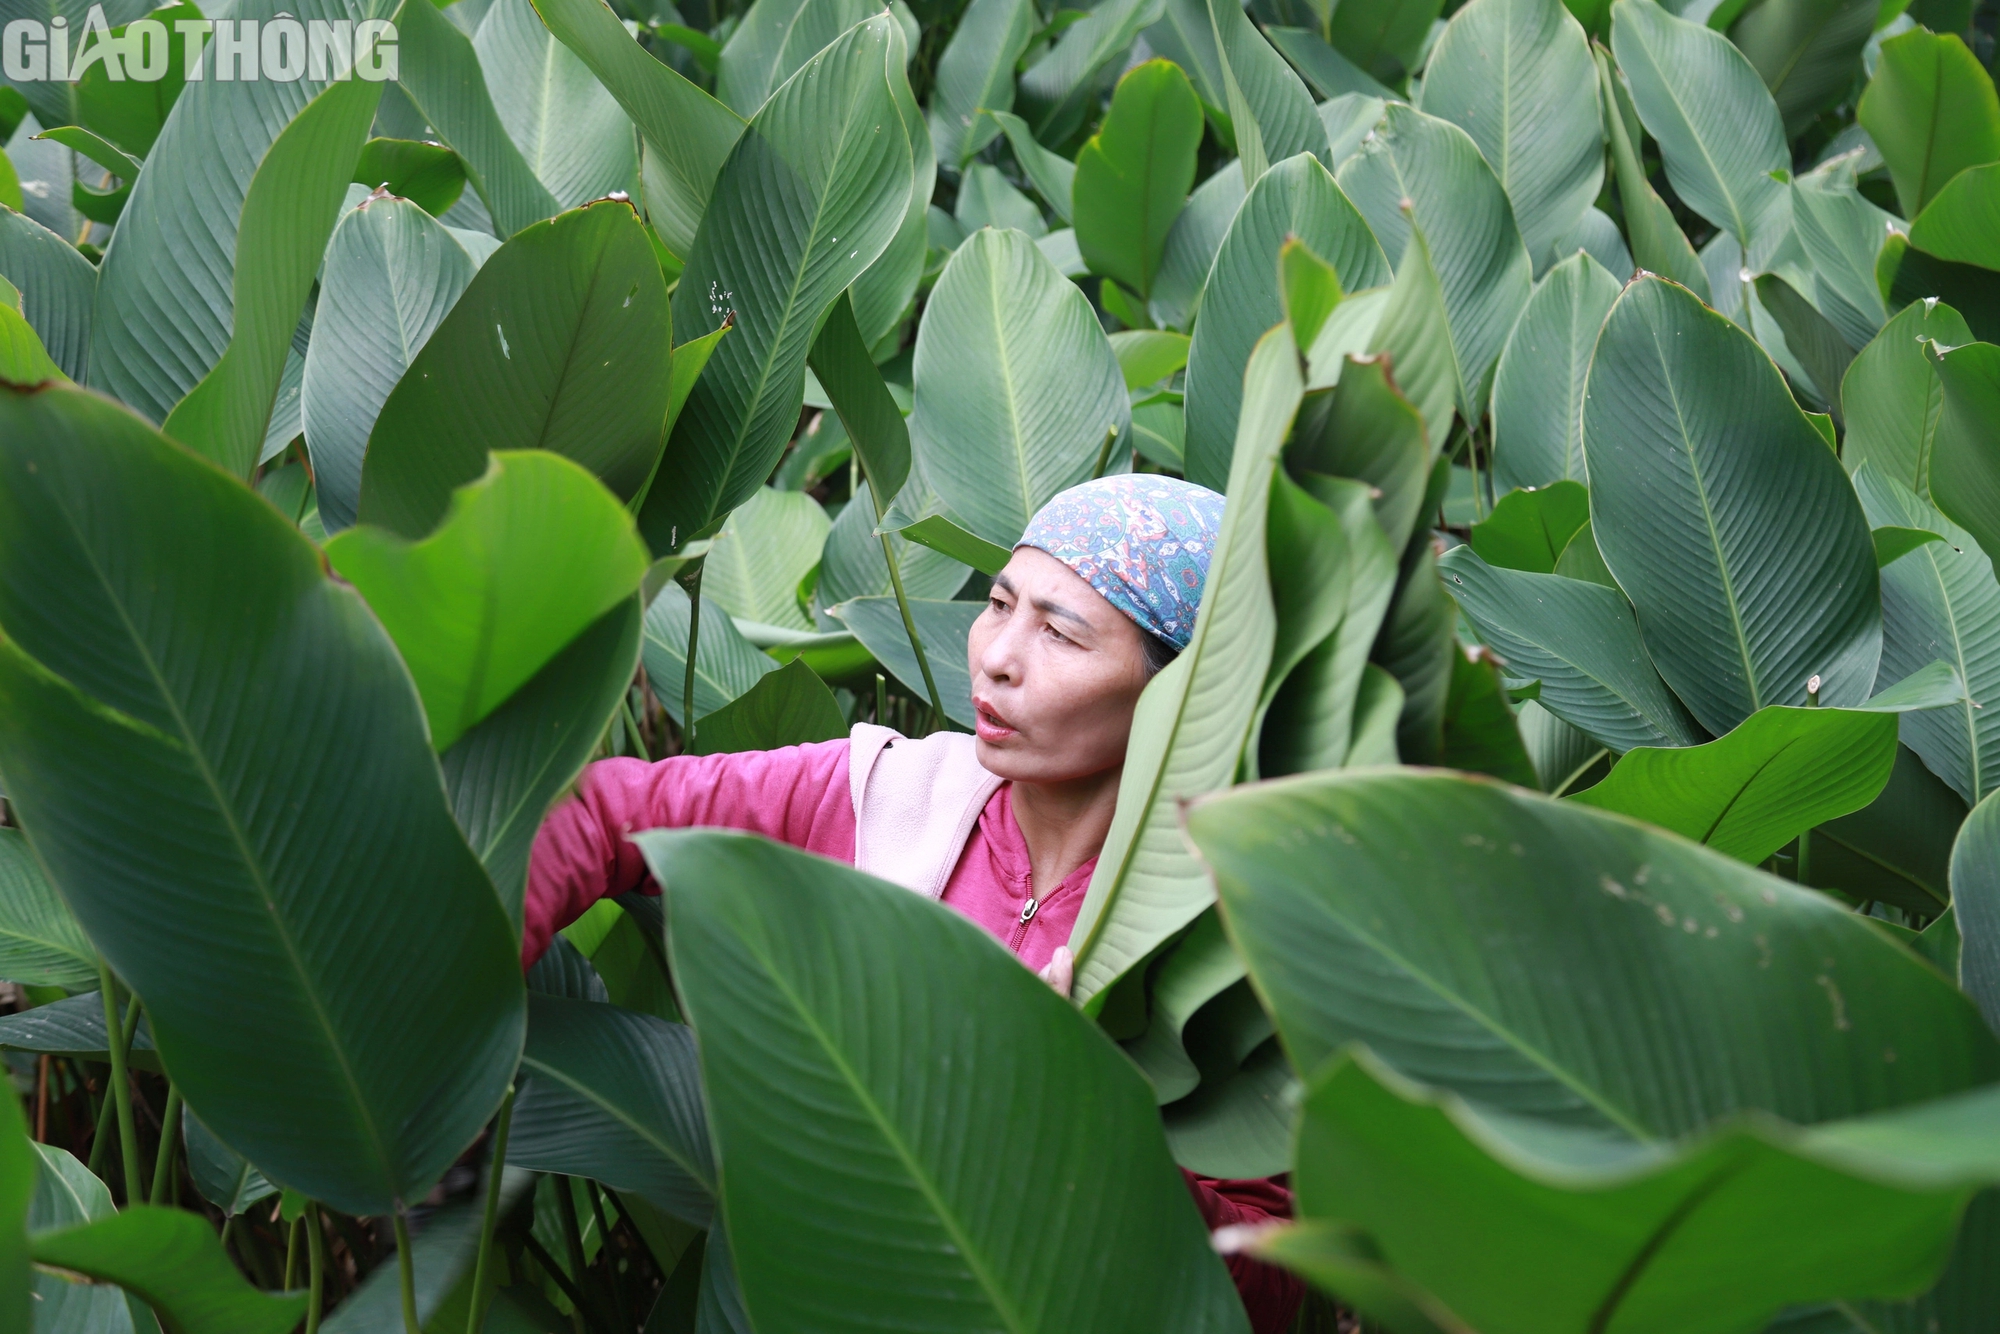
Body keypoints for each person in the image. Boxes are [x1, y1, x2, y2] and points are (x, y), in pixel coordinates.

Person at [523, 474, 1303, 1332]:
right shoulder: (889, 793)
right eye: (999, 604)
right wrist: (445, 968)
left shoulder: (1221, 932)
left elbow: (1274, 1285)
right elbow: (602, 811)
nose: (998, 654)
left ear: (1177, 695)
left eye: (1060, 634)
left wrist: (1084, 1131)